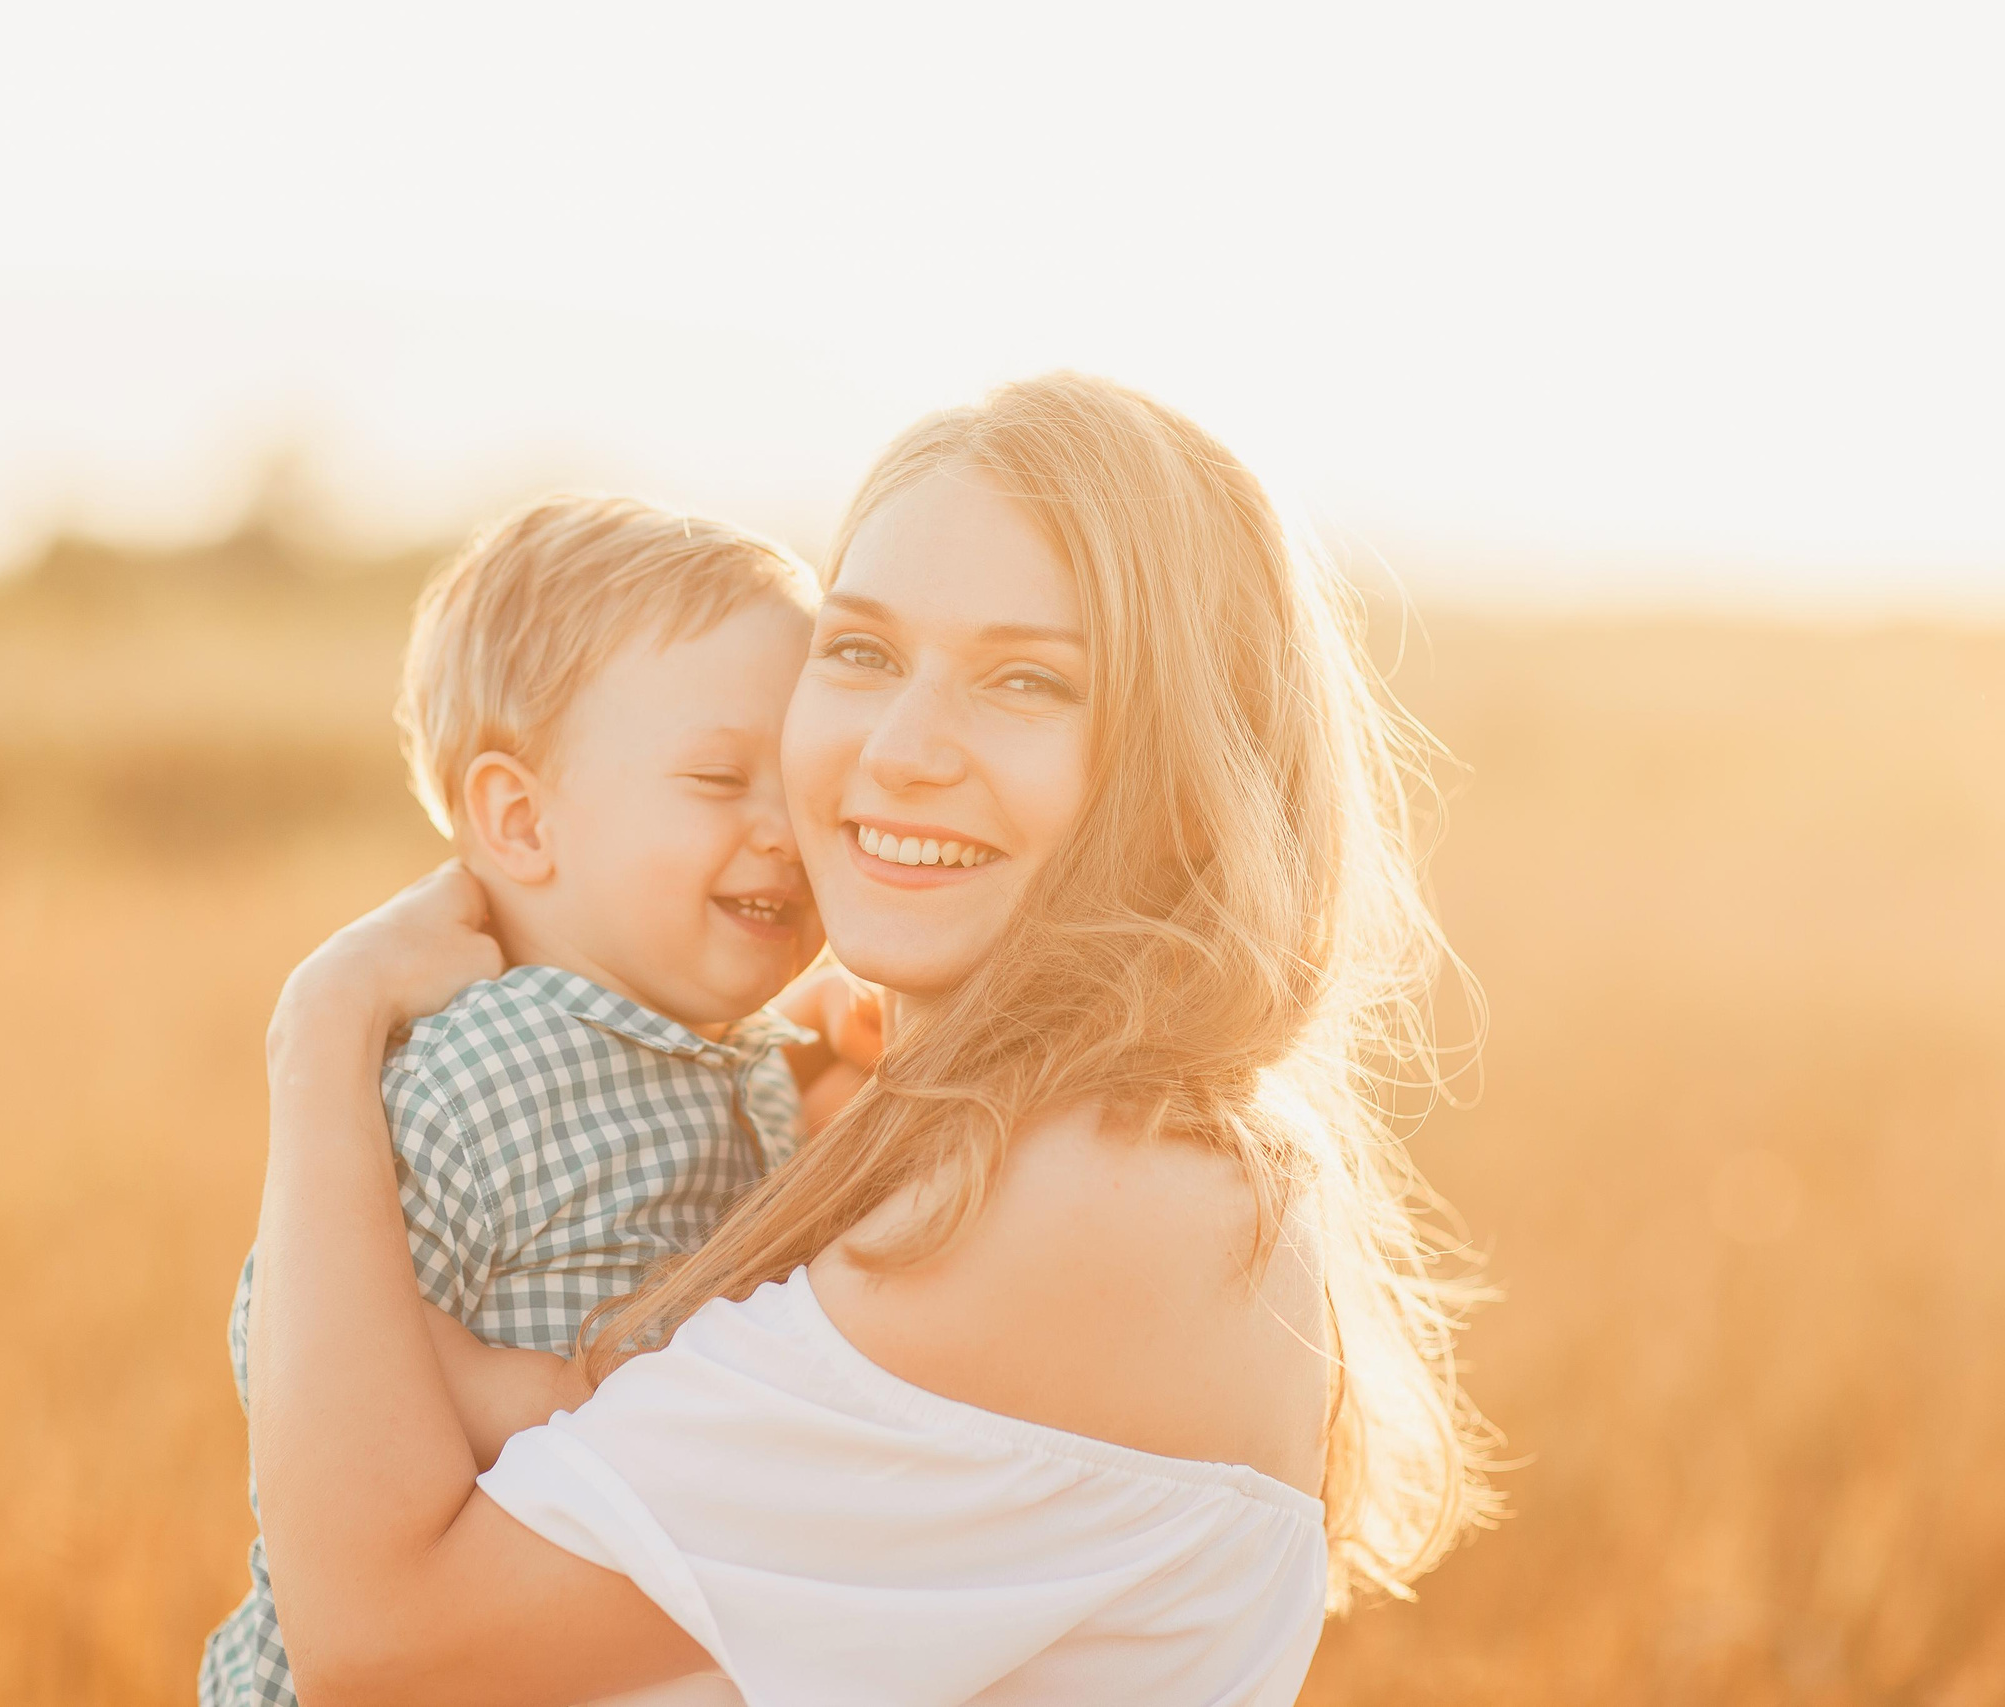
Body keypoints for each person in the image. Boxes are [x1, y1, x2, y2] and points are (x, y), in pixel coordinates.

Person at [246, 373, 1497, 1705]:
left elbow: (383, 1649)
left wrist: (321, 1041)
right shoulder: (966, 1143)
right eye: (860, 650)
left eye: (1028, 679)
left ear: (1189, 778)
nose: (902, 748)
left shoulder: (1091, 1196)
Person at [200, 493, 869, 1707]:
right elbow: (285, 1323)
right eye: (722, 777)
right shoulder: (485, 1066)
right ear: (521, 821)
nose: (785, 831)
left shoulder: (719, 1055)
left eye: (804, 780)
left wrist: (827, 1065)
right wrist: (521, 1397)